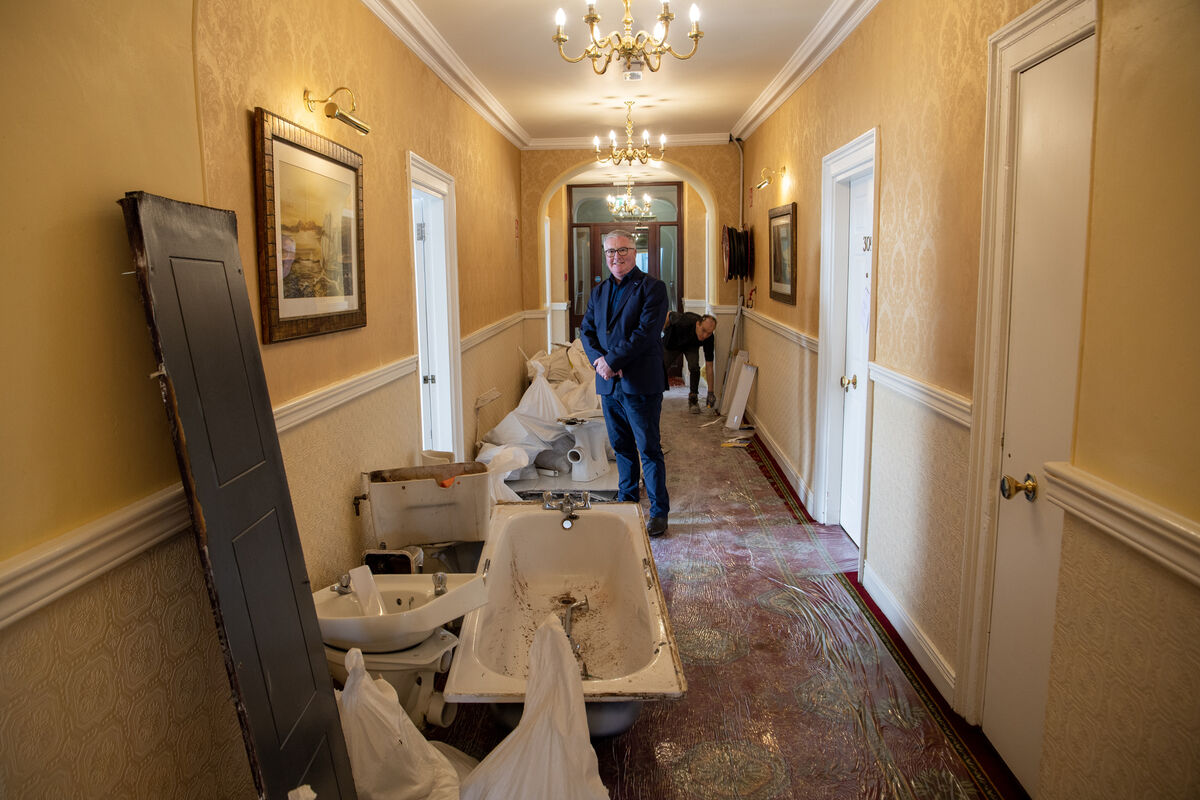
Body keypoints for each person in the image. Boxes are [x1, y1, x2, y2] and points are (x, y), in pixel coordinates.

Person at [580, 230, 671, 537]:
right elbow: (587, 331)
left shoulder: (653, 288)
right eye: (610, 252)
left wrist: (613, 361)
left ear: (634, 252)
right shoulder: (599, 291)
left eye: (622, 250)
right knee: (621, 448)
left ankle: (659, 512)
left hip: (640, 383)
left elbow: (645, 334)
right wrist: (599, 362)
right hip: (609, 384)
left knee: (648, 449)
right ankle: (627, 503)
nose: (615, 257)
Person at [662, 311, 718, 414]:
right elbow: (668, 314)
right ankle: (653, 394)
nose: (705, 336)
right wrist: (664, 330)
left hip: (691, 346)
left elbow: (709, 366)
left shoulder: (709, 338)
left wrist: (710, 392)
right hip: (672, 342)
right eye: (703, 330)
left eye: (709, 333)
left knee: (694, 367)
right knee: (660, 366)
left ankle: (693, 399)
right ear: (698, 324)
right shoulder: (684, 321)